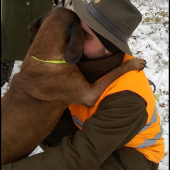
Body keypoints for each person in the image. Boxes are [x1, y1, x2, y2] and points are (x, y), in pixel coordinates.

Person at [1, 0, 165, 170]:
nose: (74, 40)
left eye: (85, 35)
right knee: (36, 119)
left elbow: (78, 158)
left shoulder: (127, 97)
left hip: (132, 157)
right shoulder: (82, 58)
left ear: (109, 46)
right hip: (92, 128)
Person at [1, 0, 65, 86]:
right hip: (14, 7)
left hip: (41, 6)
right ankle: (5, 65)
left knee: (42, 37)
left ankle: (42, 71)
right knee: (11, 33)